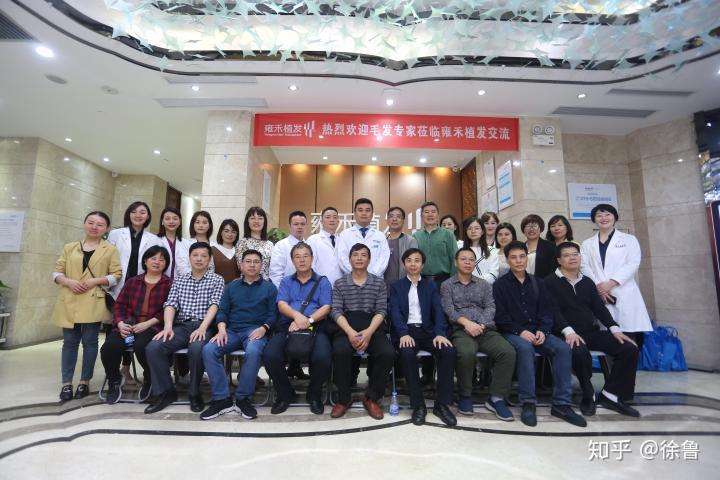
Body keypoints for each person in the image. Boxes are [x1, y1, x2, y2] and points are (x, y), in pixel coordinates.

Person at [493, 241, 587, 428]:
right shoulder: (500, 285)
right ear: (507, 260)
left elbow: (547, 311)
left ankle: (562, 404)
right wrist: (520, 331)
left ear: (527, 258)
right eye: (514, 257)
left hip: (538, 331)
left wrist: (543, 330)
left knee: (562, 348)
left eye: (522, 256)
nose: (519, 261)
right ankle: (528, 402)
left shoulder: (538, 283)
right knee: (525, 349)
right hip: (512, 332)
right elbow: (500, 317)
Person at [545, 242, 640, 417]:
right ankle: (588, 393)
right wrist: (568, 331)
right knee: (579, 352)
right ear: (559, 260)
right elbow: (552, 311)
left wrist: (615, 329)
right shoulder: (549, 282)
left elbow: (599, 308)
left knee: (629, 348)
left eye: (575, 254)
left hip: (590, 331)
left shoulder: (587, 282)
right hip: (564, 333)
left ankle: (611, 394)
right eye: (566, 255)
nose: (572, 258)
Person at [144, 242, 225, 414]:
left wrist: (203, 327)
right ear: (189, 258)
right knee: (154, 347)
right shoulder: (180, 279)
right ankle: (166, 392)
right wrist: (167, 326)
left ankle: (194, 393)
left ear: (209, 259)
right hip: (181, 326)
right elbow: (171, 304)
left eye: (203, 256)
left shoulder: (217, 279)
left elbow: (215, 304)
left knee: (196, 349)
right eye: (195, 255)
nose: (199, 259)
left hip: (205, 326)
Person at [199, 249, 278, 420]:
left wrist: (264, 328)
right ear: (241, 265)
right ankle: (221, 399)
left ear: (261, 266)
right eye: (248, 261)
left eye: (256, 262)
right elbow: (222, 311)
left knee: (253, 351)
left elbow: (273, 315)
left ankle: (243, 399)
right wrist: (221, 330)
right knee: (209, 350)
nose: (252, 265)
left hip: (255, 330)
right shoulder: (231, 287)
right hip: (231, 331)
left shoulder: (270, 288)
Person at [52, 211, 122, 402]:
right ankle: (66, 383)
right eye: (91, 222)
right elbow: (56, 273)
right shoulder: (70, 247)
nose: (94, 227)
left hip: (93, 299)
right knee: (69, 343)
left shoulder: (110, 250)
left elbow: (116, 275)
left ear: (106, 229)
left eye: (100, 224)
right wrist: (68, 282)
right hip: (70, 298)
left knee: (90, 342)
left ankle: (84, 381)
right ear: (84, 224)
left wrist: (95, 281)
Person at [440, 248, 516, 420]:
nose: (468, 262)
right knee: (466, 353)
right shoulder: (447, 285)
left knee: (507, 352)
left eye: (471, 259)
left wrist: (480, 325)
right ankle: (465, 395)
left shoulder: (484, 284)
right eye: (463, 259)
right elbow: (449, 310)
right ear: (456, 262)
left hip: (484, 329)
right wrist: (467, 323)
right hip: (460, 330)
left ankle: (496, 398)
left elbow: (490, 306)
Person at [580, 204, 652, 375]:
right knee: (608, 339)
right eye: (599, 215)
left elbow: (632, 263)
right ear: (594, 219)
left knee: (628, 341)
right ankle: (612, 381)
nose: (603, 218)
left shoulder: (629, 240)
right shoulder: (587, 243)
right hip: (600, 294)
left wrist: (611, 283)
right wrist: (599, 287)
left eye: (607, 214)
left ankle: (624, 382)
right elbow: (584, 266)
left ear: (615, 217)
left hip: (624, 293)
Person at [389, 248, 456, 426]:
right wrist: (403, 333)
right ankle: (418, 405)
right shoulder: (396, 287)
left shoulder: (431, 286)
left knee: (448, 351)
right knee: (406, 353)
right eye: (409, 260)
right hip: (407, 331)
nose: (413, 264)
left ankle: (442, 404)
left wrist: (440, 333)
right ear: (404, 264)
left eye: (417, 260)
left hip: (428, 332)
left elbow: (438, 310)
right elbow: (395, 312)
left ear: (422, 265)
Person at [263, 242, 333, 415]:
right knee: (270, 355)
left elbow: (326, 307)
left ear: (312, 258)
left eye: (305, 256)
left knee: (323, 357)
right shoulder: (286, 281)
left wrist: (307, 320)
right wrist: (296, 316)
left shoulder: (323, 281)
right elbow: (281, 304)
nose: (302, 260)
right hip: (288, 326)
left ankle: (314, 395)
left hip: (316, 326)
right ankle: (285, 394)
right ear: (293, 260)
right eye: (297, 257)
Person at [330, 243, 396, 420]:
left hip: (372, 326)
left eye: (363, 255)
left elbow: (381, 310)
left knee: (387, 353)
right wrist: (351, 333)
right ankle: (344, 399)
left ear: (369, 259)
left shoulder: (379, 283)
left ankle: (372, 398)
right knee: (339, 351)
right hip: (347, 326)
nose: (359, 258)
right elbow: (335, 311)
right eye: (355, 255)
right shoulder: (340, 283)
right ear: (349, 259)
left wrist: (368, 333)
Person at [100, 246, 172, 404]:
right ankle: (114, 380)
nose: (157, 262)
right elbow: (119, 305)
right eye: (153, 258)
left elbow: (171, 309)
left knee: (142, 346)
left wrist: (148, 323)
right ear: (145, 261)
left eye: (161, 259)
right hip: (128, 324)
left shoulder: (170, 284)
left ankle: (149, 378)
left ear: (166, 264)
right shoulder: (133, 282)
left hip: (153, 326)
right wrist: (120, 323)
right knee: (109, 348)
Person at [106, 201, 161, 384]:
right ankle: (114, 371)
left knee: (136, 332)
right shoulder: (115, 234)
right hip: (118, 288)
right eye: (134, 212)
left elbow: (158, 263)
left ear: (148, 216)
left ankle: (126, 367)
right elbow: (107, 259)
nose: (138, 215)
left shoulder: (153, 239)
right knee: (119, 328)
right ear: (128, 214)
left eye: (143, 212)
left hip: (141, 289)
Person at [336, 198, 390, 277]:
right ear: (354, 213)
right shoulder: (345, 235)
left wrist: (371, 276)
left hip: (375, 280)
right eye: (360, 210)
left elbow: (384, 258)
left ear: (372, 214)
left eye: (367, 210)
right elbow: (342, 258)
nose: (364, 213)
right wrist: (356, 274)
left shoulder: (380, 236)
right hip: (351, 280)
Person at [413, 201, 457, 289]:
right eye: (426, 212)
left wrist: (453, 281)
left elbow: (454, 258)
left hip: (444, 280)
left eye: (433, 212)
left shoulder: (448, 234)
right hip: (421, 281)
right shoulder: (416, 236)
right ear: (421, 216)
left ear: (438, 215)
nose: (430, 214)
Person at [269, 210, 307, 288]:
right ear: (289, 226)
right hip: (287, 291)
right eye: (296, 224)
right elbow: (276, 274)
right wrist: (284, 292)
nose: (300, 227)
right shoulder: (281, 245)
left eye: (302, 224)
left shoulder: (310, 245)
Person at [307, 206, 343, 286]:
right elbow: (310, 265)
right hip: (319, 285)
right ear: (321, 221)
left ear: (338, 221)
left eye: (335, 217)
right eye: (328, 217)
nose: (332, 220)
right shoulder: (313, 240)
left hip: (341, 287)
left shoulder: (343, 239)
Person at [235, 207, 274, 280]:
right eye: (252, 218)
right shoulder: (242, 243)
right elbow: (241, 267)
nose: (256, 221)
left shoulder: (270, 245)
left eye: (260, 218)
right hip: (246, 283)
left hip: (265, 284)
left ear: (264, 222)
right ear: (248, 221)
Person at [384, 206, 418, 285]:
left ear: (403, 221)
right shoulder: (383, 241)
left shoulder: (410, 241)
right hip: (384, 286)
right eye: (391, 216)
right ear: (387, 220)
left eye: (398, 216)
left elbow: (414, 265)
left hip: (404, 285)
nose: (394, 219)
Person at [462, 216, 500, 284]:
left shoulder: (493, 251)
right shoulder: (460, 251)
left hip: (486, 287)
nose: (473, 231)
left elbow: (493, 275)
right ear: (466, 232)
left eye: (476, 228)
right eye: (469, 229)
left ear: (482, 231)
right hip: (464, 287)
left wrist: (473, 282)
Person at [157, 207, 191, 280]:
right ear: (162, 222)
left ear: (180, 222)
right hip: (159, 283)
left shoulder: (187, 243)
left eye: (175, 219)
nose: (171, 221)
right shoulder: (154, 241)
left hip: (182, 283)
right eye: (167, 219)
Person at [521, 214, 556, 278]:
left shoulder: (550, 246)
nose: (531, 229)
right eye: (528, 226)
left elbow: (553, 269)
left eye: (534, 226)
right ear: (523, 230)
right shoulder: (520, 247)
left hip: (544, 282)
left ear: (541, 229)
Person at [212, 219, 242, 284]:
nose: (229, 234)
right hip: (217, 288)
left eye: (233, 232)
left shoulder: (240, 251)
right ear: (221, 232)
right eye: (226, 231)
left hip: (237, 287)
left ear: (237, 234)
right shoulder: (212, 250)